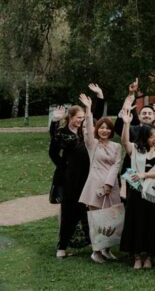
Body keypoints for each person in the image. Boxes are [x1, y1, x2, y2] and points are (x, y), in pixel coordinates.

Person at [118, 107, 155, 269]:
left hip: (153, 192)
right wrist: (126, 124)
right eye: (151, 136)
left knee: (152, 223)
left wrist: (145, 175)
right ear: (144, 137)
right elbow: (124, 142)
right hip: (136, 191)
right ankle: (136, 257)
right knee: (136, 222)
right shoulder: (136, 149)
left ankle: (149, 256)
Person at [77, 95, 122, 264]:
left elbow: (116, 164)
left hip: (111, 186)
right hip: (95, 186)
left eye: (107, 128)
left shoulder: (116, 146)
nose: (104, 130)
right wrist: (88, 109)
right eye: (101, 128)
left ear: (111, 131)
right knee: (97, 220)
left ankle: (107, 249)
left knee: (111, 218)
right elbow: (88, 128)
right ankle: (96, 251)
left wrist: (109, 184)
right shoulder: (92, 144)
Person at [49, 100, 92, 259]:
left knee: (85, 209)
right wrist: (64, 166)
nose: (80, 120)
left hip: (86, 175)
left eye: (82, 117)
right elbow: (53, 152)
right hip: (70, 177)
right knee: (68, 210)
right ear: (71, 117)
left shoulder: (84, 131)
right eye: (78, 117)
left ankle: (93, 242)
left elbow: (96, 120)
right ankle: (62, 246)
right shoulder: (62, 132)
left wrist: (95, 101)